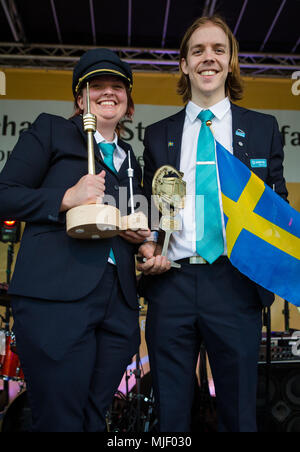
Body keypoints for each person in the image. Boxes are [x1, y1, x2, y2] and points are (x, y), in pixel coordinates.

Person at [137, 15, 288, 432]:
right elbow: (150, 211)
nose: (209, 58)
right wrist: (147, 247)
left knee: (239, 415)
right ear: (183, 63)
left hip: (235, 285)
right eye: (198, 50)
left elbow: (277, 207)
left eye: (218, 50)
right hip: (172, 284)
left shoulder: (262, 128)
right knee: (170, 418)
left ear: (231, 61)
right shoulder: (156, 135)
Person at [0, 48, 150, 432]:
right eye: (95, 85)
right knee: (60, 420)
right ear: (79, 98)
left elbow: (120, 223)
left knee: (90, 419)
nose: (107, 92)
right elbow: (4, 192)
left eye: (117, 86)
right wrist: (65, 198)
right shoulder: (51, 130)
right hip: (56, 300)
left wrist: (142, 239)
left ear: (129, 102)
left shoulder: (131, 159)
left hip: (117, 307)